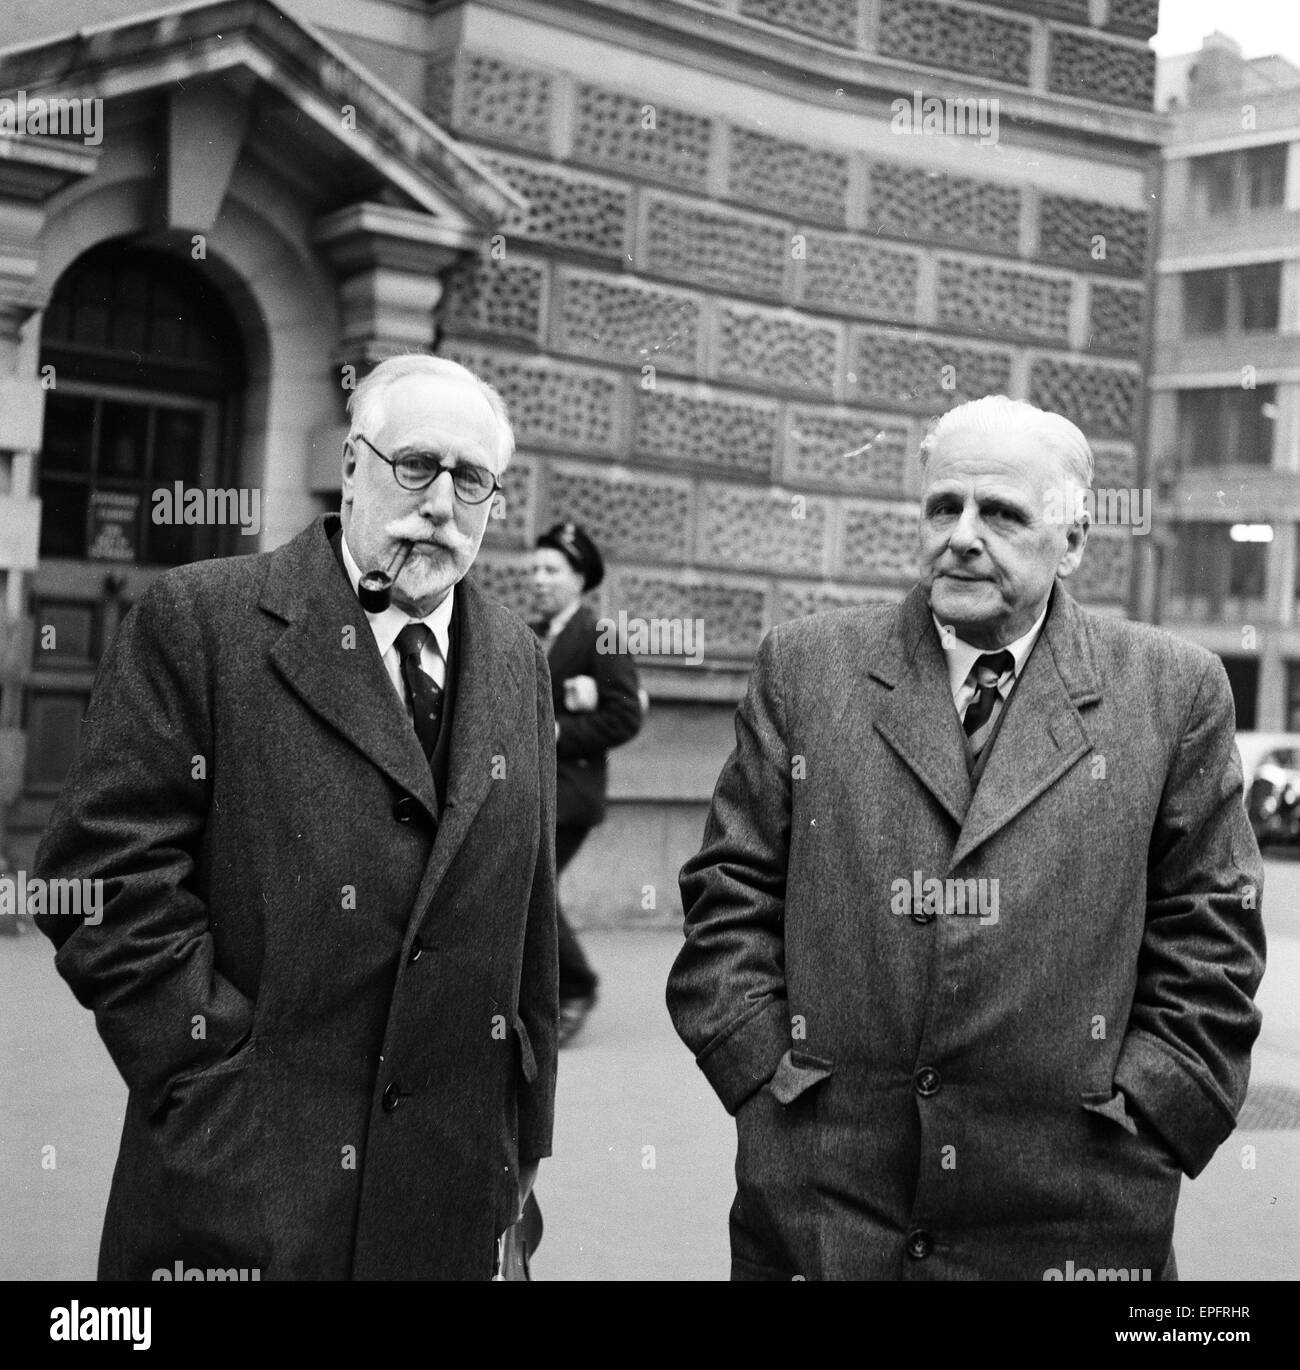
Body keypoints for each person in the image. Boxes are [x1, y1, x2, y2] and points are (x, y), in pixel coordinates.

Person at [666, 395, 1266, 1281]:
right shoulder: (807, 668)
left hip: (1073, 1216)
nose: (962, 535)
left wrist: (1150, 1116)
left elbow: (1212, 932)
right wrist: (766, 1086)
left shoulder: (1173, 693)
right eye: (944, 506)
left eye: (1002, 513)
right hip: (827, 1210)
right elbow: (731, 892)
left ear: (1074, 541)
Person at [33, 354, 558, 1281]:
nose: (441, 502)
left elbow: (529, 932)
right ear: (352, 466)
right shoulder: (204, 620)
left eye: (471, 479)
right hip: (239, 1192)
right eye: (416, 465)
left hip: (449, 1195)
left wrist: (519, 1152)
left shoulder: (517, 658)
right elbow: (100, 880)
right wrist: (216, 1093)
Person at [531, 522, 641, 1044]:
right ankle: (542, 993)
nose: (539, 579)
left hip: (571, 792)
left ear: (579, 578)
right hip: (531, 789)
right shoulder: (534, 632)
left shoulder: (600, 636)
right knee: (528, 887)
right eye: (535, 568)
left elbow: (625, 716)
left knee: (533, 887)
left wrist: (557, 731)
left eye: (552, 570)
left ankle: (575, 987)